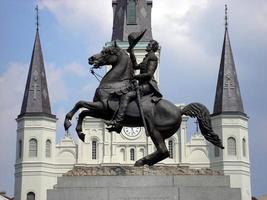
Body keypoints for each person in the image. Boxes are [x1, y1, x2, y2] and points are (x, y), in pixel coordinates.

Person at [106, 40, 162, 133]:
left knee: (126, 96)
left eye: (149, 45)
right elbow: (136, 66)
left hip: (147, 85)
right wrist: (131, 52)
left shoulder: (153, 58)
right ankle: (120, 124)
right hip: (142, 84)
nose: (147, 46)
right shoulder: (147, 57)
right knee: (122, 92)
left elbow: (149, 74)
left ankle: (118, 121)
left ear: (152, 47)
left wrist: (134, 77)